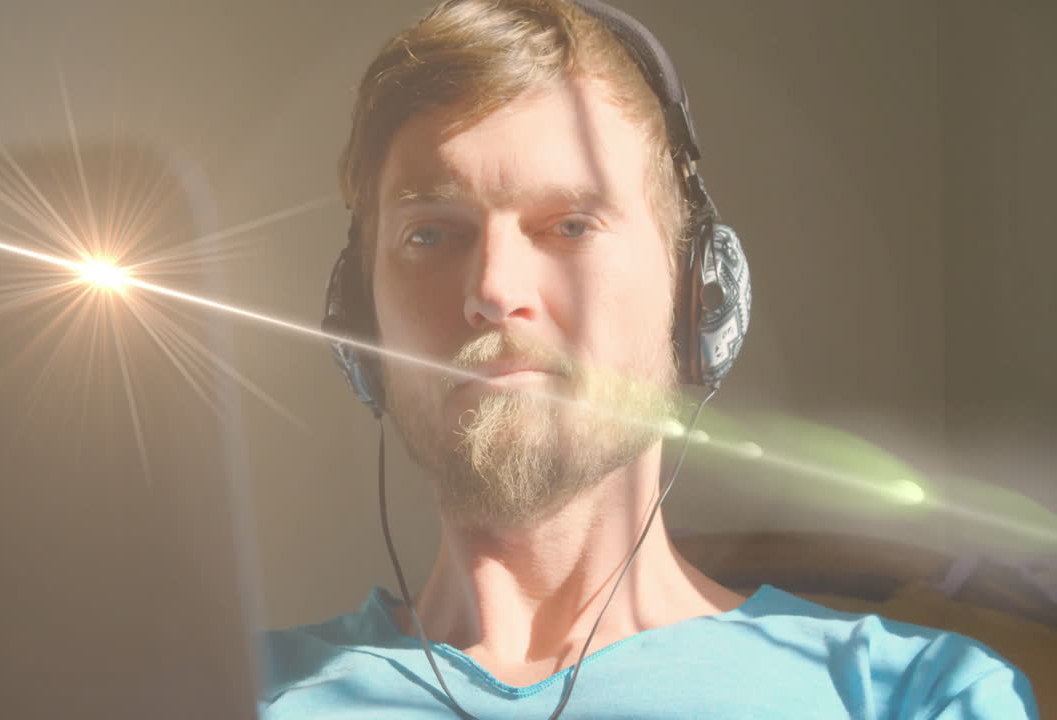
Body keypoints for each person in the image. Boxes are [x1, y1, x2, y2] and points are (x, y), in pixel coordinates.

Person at [259, 0, 1039, 717]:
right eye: (428, 234)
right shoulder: (217, 689)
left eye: (570, 225)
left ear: (697, 299)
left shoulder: (918, 694)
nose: (493, 289)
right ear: (359, 319)